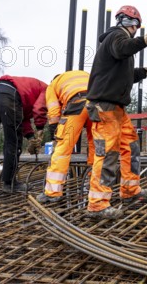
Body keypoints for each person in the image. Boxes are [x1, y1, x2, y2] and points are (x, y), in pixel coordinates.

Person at [85, 5, 147, 220]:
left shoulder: (119, 43)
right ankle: (97, 205)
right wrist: (146, 41)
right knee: (108, 153)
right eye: (132, 24)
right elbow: (123, 48)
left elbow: (124, 75)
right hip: (105, 106)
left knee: (130, 146)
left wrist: (145, 72)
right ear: (131, 25)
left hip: (117, 109)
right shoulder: (115, 37)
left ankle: (130, 190)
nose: (132, 27)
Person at [0, 75, 47, 195]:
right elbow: (40, 109)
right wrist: (40, 129)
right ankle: (9, 183)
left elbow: (22, 119)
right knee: (13, 141)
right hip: (8, 95)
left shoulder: (30, 90)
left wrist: (30, 137)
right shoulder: (48, 89)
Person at [37, 70, 94, 203]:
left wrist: (54, 132)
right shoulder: (82, 75)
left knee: (63, 150)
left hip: (77, 104)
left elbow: (54, 111)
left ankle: (53, 192)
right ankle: (94, 186)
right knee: (96, 147)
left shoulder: (53, 85)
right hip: (98, 104)